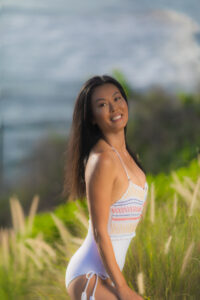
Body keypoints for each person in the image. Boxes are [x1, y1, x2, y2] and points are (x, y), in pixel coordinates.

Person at [64, 75, 148, 300]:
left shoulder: (127, 156)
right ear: (92, 118)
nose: (114, 108)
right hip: (89, 276)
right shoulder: (103, 160)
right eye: (102, 105)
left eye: (117, 98)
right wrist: (122, 289)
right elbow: (101, 232)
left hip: (109, 277)